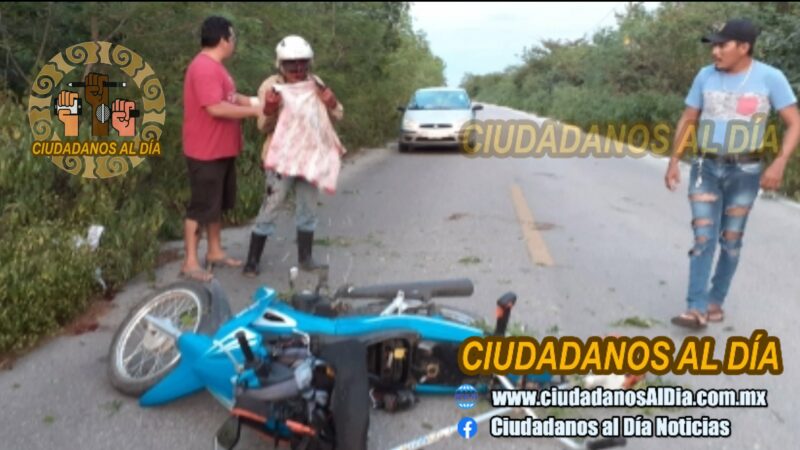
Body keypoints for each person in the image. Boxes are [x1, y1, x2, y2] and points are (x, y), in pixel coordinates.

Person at [664, 19, 800, 328]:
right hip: (704, 167)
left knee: (730, 240)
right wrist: (674, 159)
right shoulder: (704, 76)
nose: (715, 51)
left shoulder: (770, 77)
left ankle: (715, 300)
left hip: (745, 171)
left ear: (744, 47)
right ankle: (695, 307)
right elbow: (688, 118)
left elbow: (795, 121)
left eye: (722, 45)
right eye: (713, 44)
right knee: (703, 236)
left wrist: (779, 162)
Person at [242, 35, 344, 277]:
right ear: (281, 64)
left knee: (308, 207)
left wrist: (331, 103)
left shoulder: (315, 83)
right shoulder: (271, 86)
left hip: (310, 156)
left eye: (303, 64)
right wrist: (269, 109)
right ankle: (252, 261)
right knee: (271, 206)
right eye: (292, 64)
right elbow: (262, 127)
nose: (298, 70)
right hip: (281, 160)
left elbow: (337, 115)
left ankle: (306, 258)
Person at [180, 16, 262, 282]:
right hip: (206, 149)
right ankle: (190, 261)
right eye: (233, 38)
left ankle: (214, 251)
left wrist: (256, 101)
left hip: (222, 149)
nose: (234, 43)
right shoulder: (203, 68)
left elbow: (229, 97)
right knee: (201, 206)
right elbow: (215, 107)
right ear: (223, 39)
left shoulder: (218, 68)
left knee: (216, 205)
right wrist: (253, 112)